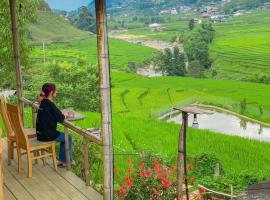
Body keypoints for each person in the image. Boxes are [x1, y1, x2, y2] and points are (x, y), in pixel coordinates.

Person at [36, 83, 73, 166]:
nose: (57, 91)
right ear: (52, 92)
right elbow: (61, 118)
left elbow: (54, 113)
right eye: (56, 90)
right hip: (47, 135)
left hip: (40, 133)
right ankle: (67, 161)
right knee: (68, 138)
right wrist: (66, 114)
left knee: (64, 137)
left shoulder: (43, 102)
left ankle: (62, 160)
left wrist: (62, 114)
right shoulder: (50, 104)